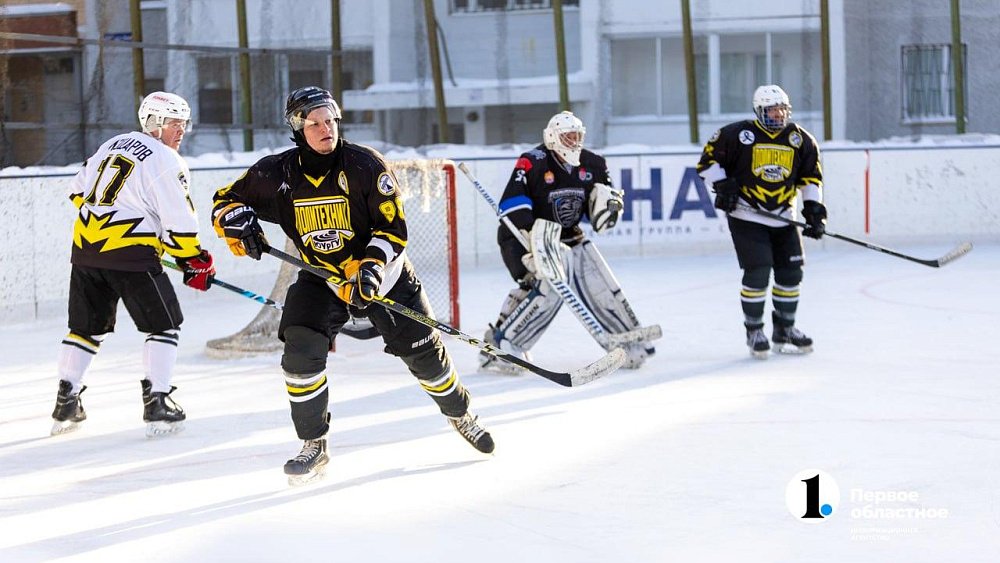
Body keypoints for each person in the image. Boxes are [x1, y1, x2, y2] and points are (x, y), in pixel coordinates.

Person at [212, 86, 493, 484]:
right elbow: (225, 200)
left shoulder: (364, 165)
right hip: (322, 277)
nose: (325, 128)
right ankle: (314, 444)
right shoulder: (276, 173)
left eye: (330, 120)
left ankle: (460, 413)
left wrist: (371, 269)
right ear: (297, 128)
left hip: (385, 277)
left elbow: (392, 229)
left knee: (425, 357)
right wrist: (239, 222)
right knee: (300, 350)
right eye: (315, 122)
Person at [51, 91, 215, 437]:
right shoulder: (166, 159)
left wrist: (113, 221)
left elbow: (77, 191)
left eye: (184, 123)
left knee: (85, 330)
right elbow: (179, 220)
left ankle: (66, 401)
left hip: (86, 251)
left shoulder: (111, 144)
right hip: (132, 257)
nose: (181, 130)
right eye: (174, 123)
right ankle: (158, 401)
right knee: (165, 326)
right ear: (154, 123)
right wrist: (193, 259)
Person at [479, 110, 655, 374]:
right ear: (552, 137)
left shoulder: (594, 164)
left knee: (598, 282)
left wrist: (609, 206)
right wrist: (532, 240)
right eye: (567, 136)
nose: (574, 141)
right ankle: (505, 345)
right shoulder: (533, 162)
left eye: (577, 136)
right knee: (546, 290)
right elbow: (512, 205)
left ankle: (626, 341)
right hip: (524, 238)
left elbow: (599, 210)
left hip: (568, 237)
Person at [696, 84, 826, 359]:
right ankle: (754, 331)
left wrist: (814, 209)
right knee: (758, 272)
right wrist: (723, 184)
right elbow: (707, 163)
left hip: (784, 217)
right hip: (747, 215)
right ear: (759, 111)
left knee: (791, 274)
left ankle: (785, 329)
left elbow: (810, 178)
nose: (778, 115)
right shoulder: (736, 134)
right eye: (771, 110)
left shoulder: (801, 139)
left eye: (782, 110)